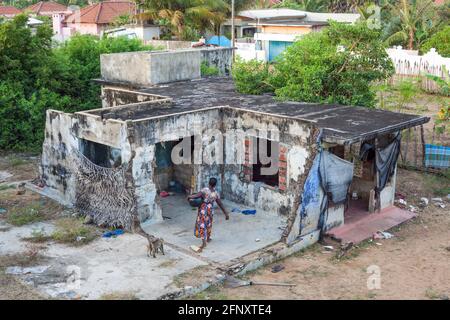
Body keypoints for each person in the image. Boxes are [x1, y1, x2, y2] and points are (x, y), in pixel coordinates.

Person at [188, 177, 229, 252]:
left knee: (202, 224)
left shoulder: (205, 190)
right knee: (209, 223)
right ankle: (208, 238)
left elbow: (197, 195)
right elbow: (220, 204)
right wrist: (226, 213)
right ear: (215, 185)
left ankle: (204, 243)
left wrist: (189, 197)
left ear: (209, 183)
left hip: (204, 209)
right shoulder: (215, 193)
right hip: (210, 209)